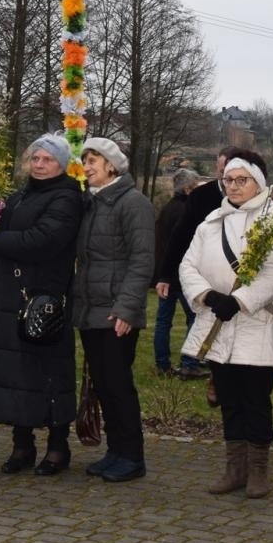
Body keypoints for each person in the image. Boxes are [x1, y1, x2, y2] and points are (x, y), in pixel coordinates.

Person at [179, 155, 273, 499]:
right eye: (228, 180)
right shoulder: (211, 222)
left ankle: (259, 471)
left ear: (258, 183)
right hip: (218, 322)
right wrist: (208, 295)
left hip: (256, 323)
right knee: (229, 399)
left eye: (241, 180)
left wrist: (241, 300)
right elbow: (188, 265)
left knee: (255, 400)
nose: (233, 186)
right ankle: (235, 469)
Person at [0, 133, 85, 476]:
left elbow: (45, 239)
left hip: (44, 299)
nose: (39, 164)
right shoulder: (20, 196)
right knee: (16, 375)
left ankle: (58, 446)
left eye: (47, 159)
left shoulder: (67, 197)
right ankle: (22, 444)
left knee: (48, 373)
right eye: (35, 158)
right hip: (11, 296)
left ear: (61, 164)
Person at [73, 137, 156, 482]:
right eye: (85, 161)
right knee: (104, 385)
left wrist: (126, 309)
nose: (86, 167)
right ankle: (115, 451)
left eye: (93, 160)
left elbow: (142, 260)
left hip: (116, 313)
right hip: (91, 311)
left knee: (119, 385)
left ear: (111, 165)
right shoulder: (92, 203)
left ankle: (132, 456)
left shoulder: (133, 203)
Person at [156, 146, 244, 379]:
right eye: (223, 171)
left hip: (238, 275)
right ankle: (200, 363)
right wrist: (165, 274)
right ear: (217, 168)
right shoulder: (201, 196)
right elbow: (179, 236)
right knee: (198, 318)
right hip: (200, 273)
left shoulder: (250, 198)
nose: (228, 178)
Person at [152, 168, 200, 375]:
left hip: (165, 272)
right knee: (195, 318)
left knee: (163, 321)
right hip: (180, 274)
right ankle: (189, 363)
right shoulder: (186, 212)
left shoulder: (166, 209)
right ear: (188, 188)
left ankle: (162, 364)